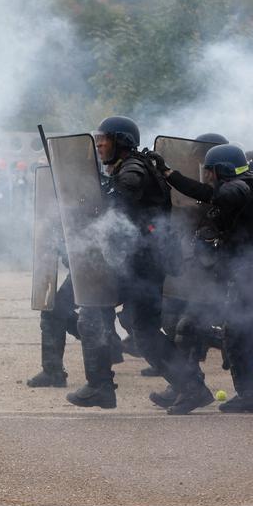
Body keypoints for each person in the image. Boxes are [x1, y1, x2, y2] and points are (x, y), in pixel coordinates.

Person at [66, 117, 208, 413]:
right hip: (139, 260)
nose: (100, 144)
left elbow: (126, 194)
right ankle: (189, 385)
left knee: (100, 316)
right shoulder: (130, 166)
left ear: (122, 141)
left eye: (105, 139)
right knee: (136, 326)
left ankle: (103, 387)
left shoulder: (132, 168)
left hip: (141, 263)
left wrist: (101, 201)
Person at [151, 144, 253, 413]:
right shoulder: (242, 186)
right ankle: (250, 396)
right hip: (244, 275)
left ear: (221, 170)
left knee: (199, 329)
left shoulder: (236, 190)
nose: (206, 176)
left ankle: (196, 391)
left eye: (209, 171)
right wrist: (168, 172)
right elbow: (208, 193)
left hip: (245, 278)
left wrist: (204, 237)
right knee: (237, 335)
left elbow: (221, 198)